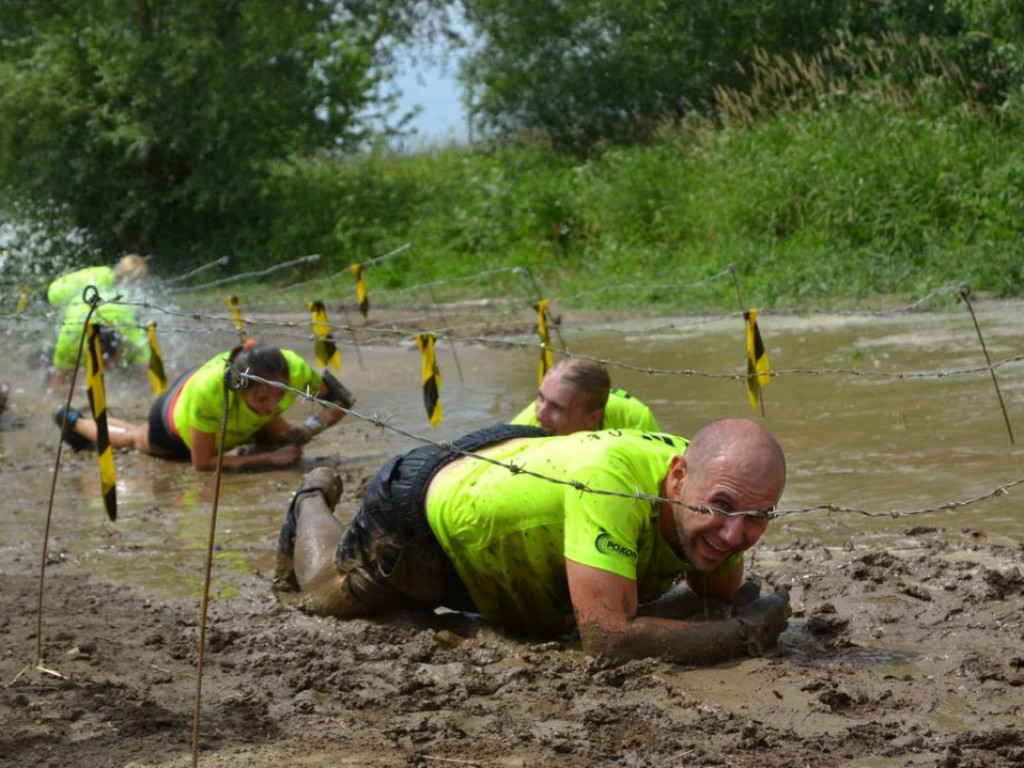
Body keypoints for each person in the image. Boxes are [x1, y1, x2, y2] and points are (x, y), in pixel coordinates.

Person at [276, 418, 791, 665]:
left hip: (521, 469)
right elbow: (608, 640)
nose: (734, 535)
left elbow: (713, 598)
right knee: (325, 593)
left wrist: (726, 612)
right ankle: (311, 498)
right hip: (428, 514)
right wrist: (746, 634)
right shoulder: (613, 483)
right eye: (721, 508)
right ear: (678, 477)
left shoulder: (727, 487)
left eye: (758, 517)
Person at [54, 342, 356, 472]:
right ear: (240, 389)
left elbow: (337, 400)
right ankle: (75, 420)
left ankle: (261, 434)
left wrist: (311, 427)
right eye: (262, 399)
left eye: (280, 396)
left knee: (286, 437)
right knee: (136, 439)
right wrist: (269, 460)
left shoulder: (296, 369)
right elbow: (203, 464)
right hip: (173, 418)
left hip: (224, 391)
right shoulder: (213, 394)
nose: (273, 406)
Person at [47, 254, 151, 391]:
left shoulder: (97, 276)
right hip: (88, 333)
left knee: (58, 380)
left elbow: (54, 293)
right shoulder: (125, 314)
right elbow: (150, 375)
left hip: (72, 329)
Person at [510, 357, 660, 436]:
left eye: (557, 408)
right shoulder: (522, 429)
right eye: (540, 398)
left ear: (593, 419)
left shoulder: (635, 421)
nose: (540, 414)